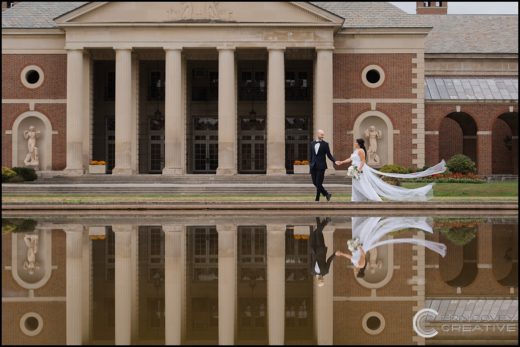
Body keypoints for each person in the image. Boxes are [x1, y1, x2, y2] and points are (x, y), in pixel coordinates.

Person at [335, 138, 446, 202]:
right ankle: (356, 199)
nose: (354, 143)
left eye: (355, 142)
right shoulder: (355, 151)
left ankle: (374, 198)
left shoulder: (360, 151)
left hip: (359, 170)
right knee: (356, 185)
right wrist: (341, 162)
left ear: (358, 143)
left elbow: (363, 161)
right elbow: (350, 159)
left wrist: (358, 169)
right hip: (355, 169)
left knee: (364, 185)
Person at [336, 216, 447, 278]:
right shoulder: (361, 264)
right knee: (371, 228)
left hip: (356, 245)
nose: (354, 271)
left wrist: (341, 254)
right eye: (355, 272)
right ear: (359, 271)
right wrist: (359, 246)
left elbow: (349, 257)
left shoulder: (356, 264)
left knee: (360, 228)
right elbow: (363, 254)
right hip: (360, 245)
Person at [308, 217, 337, 286]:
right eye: (322, 280)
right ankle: (320, 219)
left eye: (320, 280)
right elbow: (329, 260)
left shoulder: (312, 272)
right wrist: (335, 254)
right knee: (318, 233)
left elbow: (310, 260)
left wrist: (310, 251)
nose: (321, 279)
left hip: (313, 249)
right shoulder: (325, 271)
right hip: (321, 249)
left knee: (314, 234)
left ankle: (322, 220)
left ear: (317, 281)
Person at [309, 129, 336, 202]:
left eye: (323, 134)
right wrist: (310, 164)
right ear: (317, 134)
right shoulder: (312, 143)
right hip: (313, 166)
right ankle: (326, 194)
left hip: (321, 166)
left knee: (318, 183)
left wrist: (335, 161)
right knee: (315, 182)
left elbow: (329, 155)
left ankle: (317, 198)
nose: (323, 136)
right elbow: (310, 155)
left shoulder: (325, 144)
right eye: (321, 134)